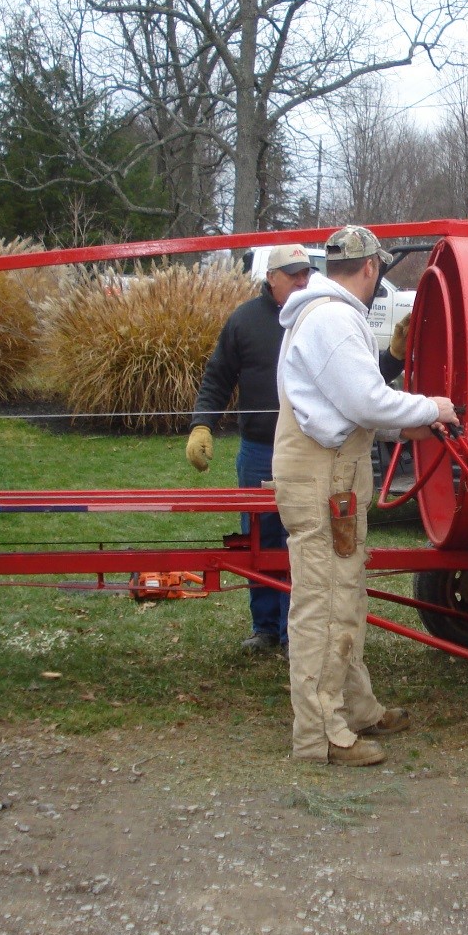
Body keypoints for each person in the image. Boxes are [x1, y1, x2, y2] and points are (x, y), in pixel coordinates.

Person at [274, 225, 457, 766]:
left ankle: (356, 708)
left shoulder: (323, 313)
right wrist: (431, 409)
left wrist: (409, 427)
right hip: (322, 477)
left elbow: (354, 405)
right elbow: (366, 400)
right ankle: (319, 737)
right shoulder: (332, 318)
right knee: (324, 605)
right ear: (372, 268)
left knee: (345, 595)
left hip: (334, 473)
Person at [186, 244, 313, 652]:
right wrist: (201, 425)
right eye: (293, 274)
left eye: (306, 273)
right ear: (271, 277)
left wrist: (394, 358)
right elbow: (217, 377)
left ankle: (298, 632)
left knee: (302, 539)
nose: (302, 280)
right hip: (259, 449)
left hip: (307, 451)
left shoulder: (317, 319)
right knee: (260, 538)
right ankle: (266, 629)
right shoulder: (243, 321)